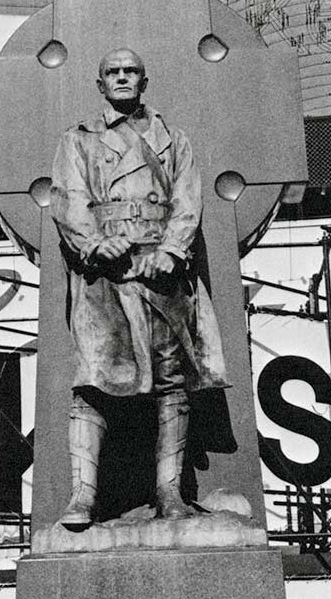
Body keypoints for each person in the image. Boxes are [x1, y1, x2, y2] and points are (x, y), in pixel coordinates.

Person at [48, 47, 228, 528]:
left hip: (160, 274)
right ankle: (82, 496)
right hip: (103, 277)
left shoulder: (173, 139)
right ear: (100, 83)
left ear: (144, 81)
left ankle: (169, 492)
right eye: (113, 72)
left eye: (131, 72)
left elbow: (187, 201)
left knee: (170, 382)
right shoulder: (78, 139)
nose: (123, 78)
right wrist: (92, 242)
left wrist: (170, 251)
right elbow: (68, 196)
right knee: (93, 383)